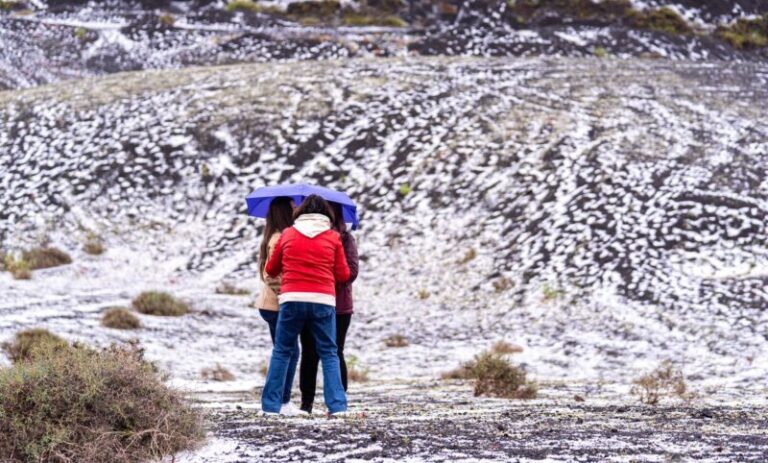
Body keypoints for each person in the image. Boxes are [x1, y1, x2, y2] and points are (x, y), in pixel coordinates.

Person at [262, 194, 351, 416]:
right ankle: (337, 406)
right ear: (326, 215)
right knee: (329, 352)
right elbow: (343, 274)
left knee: (282, 351)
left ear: (300, 213)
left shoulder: (288, 234)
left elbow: (271, 269)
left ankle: (271, 407)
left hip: (291, 299)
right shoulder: (333, 238)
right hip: (322, 301)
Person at [299, 202, 358, 414]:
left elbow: (351, 272)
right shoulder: (306, 237)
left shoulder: (345, 239)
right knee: (309, 353)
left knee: (336, 352)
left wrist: (323, 276)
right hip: (315, 300)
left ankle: (339, 400)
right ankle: (306, 403)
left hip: (339, 306)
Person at [255, 197, 301, 415]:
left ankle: (282, 400)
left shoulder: (273, 237)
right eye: (292, 208)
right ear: (284, 212)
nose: (295, 211)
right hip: (276, 304)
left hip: (271, 304)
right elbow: (270, 276)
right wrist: (288, 295)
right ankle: (281, 402)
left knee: (287, 351)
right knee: (288, 352)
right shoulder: (278, 239)